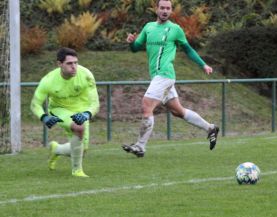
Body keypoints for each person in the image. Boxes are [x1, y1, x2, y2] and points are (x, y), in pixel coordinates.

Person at [122, 0, 219, 157]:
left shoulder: (175, 29)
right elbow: (135, 48)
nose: (165, 11)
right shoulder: (148, 27)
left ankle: (140, 146)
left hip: (165, 75)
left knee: (147, 105)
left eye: (168, 8)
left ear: (171, 11)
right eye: (162, 8)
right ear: (157, 9)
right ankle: (210, 128)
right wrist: (131, 43)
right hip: (157, 77)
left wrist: (203, 65)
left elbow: (188, 49)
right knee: (178, 111)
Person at [30, 47, 100, 177]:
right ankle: (77, 171)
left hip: (81, 111)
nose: (74, 67)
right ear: (59, 64)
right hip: (59, 110)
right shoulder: (48, 80)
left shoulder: (86, 75)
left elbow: (95, 103)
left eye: (75, 62)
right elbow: (35, 104)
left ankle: (56, 149)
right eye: (69, 63)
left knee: (82, 151)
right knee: (79, 127)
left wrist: (86, 114)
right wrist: (44, 117)